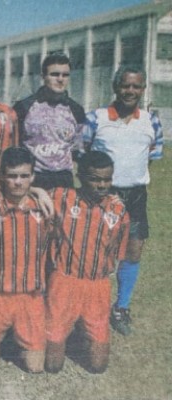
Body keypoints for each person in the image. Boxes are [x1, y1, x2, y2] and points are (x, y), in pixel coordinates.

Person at [82, 65, 163, 336]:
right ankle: (90, 306)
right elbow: (82, 153)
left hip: (136, 195)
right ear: (115, 87)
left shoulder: (151, 121)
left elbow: (151, 156)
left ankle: (121, 307)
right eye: (125, 85)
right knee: (97, 251)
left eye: (136, 86)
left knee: (133, 250)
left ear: (143, 89)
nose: (130, 91)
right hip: (104, 194)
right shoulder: (96, 118)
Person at [44, 151, 129, 374]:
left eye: (107, 179)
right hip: (64, 282)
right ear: (80, 176)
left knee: (98, 366)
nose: (102, 185)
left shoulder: (118, 210)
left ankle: (83, 330)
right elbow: (26, 197)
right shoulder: (59, 197)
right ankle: (60, 330)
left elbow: (116, 253)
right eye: (95, 179)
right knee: (52, 365)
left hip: (97, 286)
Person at [0, 147, 48, 374]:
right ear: (1, 176)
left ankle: (17, 335)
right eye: (12, 176)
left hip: (29, 295)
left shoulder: (44, 207)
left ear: (32, 176)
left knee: (35, 367)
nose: (18, 182)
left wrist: (40, 192)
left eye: (24, 176)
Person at [13, 52, 86, 189]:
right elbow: (14, 145)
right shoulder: (23, 107)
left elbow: (77, 149)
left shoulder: (76, 110)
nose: (60, 79)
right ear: (43, 76)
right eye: (54, 74)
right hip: (33, 178)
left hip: (64, 179)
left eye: (65, 75)